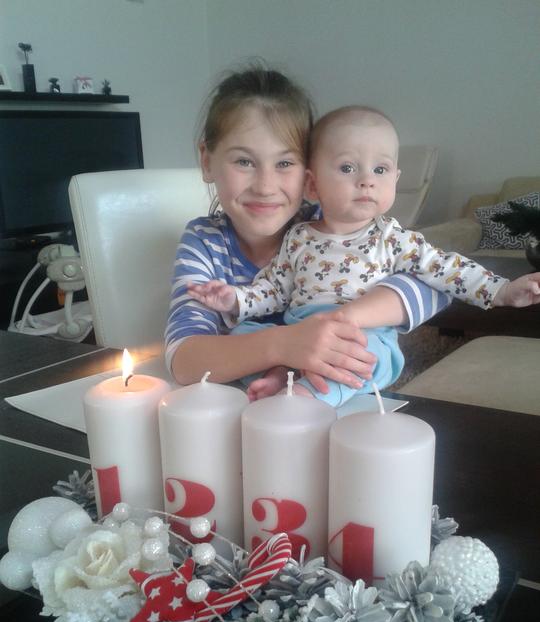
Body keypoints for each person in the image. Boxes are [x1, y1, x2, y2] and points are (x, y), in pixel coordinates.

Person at [188, 103, 540, 406]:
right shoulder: (298, 237)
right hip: (301, 332)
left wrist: (502, 290)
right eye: (347, 168)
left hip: (361, 334)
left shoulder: (393, 238)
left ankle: (308, 394)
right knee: (243, 333)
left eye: (380, 170)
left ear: (395, 179)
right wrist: (235, 299)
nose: (366, 180)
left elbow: (447, 269)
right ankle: (281, 374)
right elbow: (274, 288)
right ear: (312, 184)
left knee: (368, 354)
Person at [166, 65, 452, 397]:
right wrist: (285, 344)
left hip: (340, 396)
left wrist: (342, 318)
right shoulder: (205, 242)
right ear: (207, 161)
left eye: (285, 163)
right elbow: (183, 360)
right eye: (244, 161)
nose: (265, 186)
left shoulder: (332, 227)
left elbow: (438, 284)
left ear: (311, 172)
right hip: (248, 405)